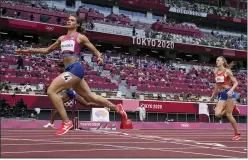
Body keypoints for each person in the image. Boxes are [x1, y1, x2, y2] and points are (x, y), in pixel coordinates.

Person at [15, 15, 127, 135]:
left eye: (72, 20)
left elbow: (94, 49)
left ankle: (66, 122)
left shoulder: (80, 37)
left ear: (77, 24)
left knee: (51, 90)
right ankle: (117, 107)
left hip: (75, 69)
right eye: (68, 19)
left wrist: (99, 57)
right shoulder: (61, 38)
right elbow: (46, 50)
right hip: (70, 70)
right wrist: (27, 51)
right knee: (90, 97)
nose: (69, 21)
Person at [211, 56, 241, 140]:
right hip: (222, 94)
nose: (216, 61)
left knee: (229, 115)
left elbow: (236, 83)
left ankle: (237, 133)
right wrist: (213, 94)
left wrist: (231, 90)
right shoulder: (215, 71)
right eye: (216, 60)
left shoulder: (227, 71)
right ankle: (233, 107)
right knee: (217, 114)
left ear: (223, 62)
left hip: (229, 93)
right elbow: (217, 84)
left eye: (218, 60)